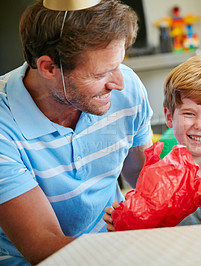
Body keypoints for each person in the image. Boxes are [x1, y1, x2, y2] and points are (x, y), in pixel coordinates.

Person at [0, 0, 153, 264]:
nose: (119, 83)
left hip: (117, 247)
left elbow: (146, 180)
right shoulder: (4, 126)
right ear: (48, 68)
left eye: (118, 65)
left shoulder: (127, 91)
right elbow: (43, 245)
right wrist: (138, 249)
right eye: (102, 73)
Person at [103, 55, 201, 228]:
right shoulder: (152, 180)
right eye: (189, 113)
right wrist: (125, 225)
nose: (200, 125)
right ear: (168, 117)